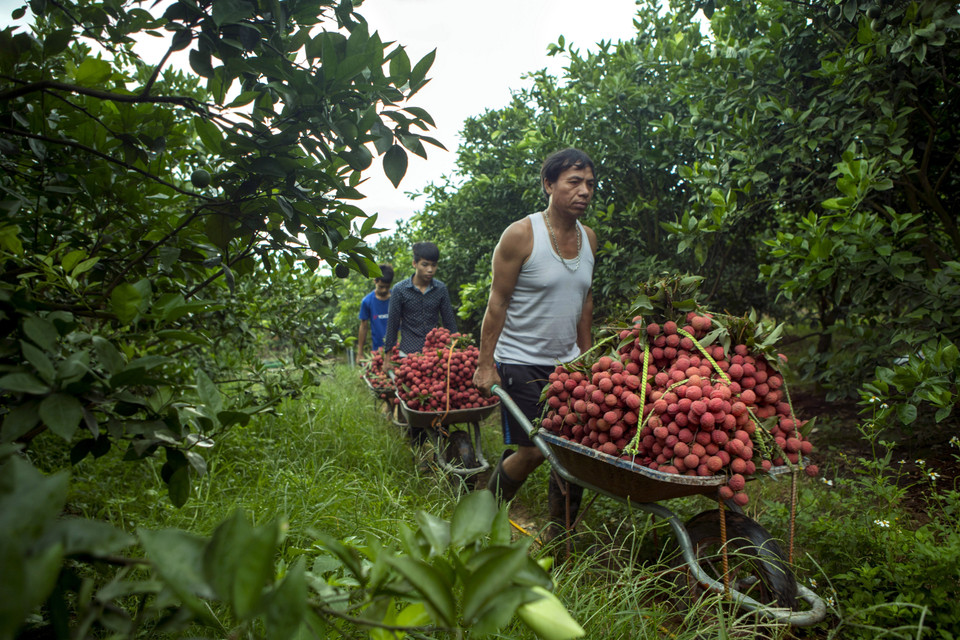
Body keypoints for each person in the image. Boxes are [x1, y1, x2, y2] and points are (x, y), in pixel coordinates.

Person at [473, 148, 598, 542]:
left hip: (569, 365)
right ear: (548, 184)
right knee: (532, 451)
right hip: (520, 361)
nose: (584, 191)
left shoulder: (590, 239)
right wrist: (485, 362)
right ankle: (482, 514)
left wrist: (587, 359)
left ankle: (560, 535)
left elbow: (585, 303)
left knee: (572, 451)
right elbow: (498, 302)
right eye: (573, 182)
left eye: (590, 184)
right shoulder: (521, 234)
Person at [383, 241, 458, 356]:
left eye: (434, 265)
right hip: (407, 353)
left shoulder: (440, 289)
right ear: (415, 263)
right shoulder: (400, 289)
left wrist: (456, 348)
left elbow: (449, 322)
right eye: (425, 264)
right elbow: (392, 324)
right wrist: (388, 355)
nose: (430, 270)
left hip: (434, 353)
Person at [357, 264, 394, 359]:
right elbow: (363, 326)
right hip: (378, 351)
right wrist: (360, 353)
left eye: (387, 286)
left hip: (397, 349)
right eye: (381, 287)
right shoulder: (367, 301)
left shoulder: (396, 297)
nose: (384, 290)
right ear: (375, 281)